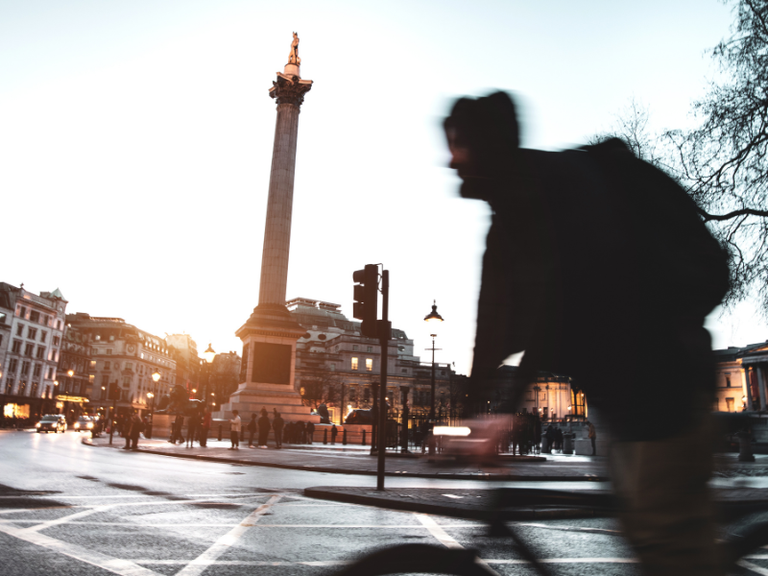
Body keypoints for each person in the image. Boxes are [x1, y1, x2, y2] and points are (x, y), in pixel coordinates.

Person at [444, 91, 730, 576]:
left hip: (662, 385)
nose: (450, 158)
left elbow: (560, 305)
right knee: (646, 539)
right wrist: (473, 414)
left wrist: (506, 412)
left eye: (457, 144)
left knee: (670, 550)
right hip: (618, 398)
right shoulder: (507, 218)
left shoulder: (555, 192)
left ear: (486, 144)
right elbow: (490, 326)